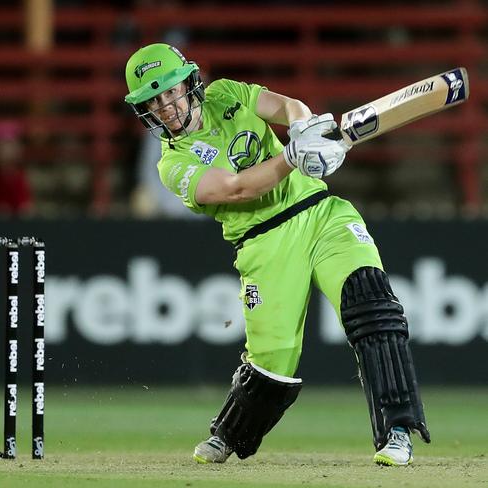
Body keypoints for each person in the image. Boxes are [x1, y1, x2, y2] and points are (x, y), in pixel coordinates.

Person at [124, 43, 430, 467]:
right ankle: (229, 434)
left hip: (321, 214)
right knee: (271, 364)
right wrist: (292, 156)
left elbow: (289, 106)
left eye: (170, 92)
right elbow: (237, 188)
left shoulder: (226, 94)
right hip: (263, 243)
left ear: (189, 83)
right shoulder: (171, 165)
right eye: (152, 102)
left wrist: (306, 132)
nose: (165, 106)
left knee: (372, 306)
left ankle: (396, 430)